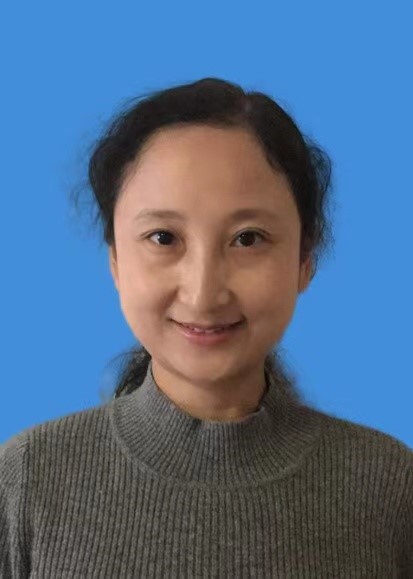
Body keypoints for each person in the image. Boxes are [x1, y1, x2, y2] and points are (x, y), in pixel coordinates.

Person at [1, 78, 411, 577]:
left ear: (305, 258)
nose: (203, 293)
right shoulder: (28, 480)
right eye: (162, 237)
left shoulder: (389, 487)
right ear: (115, 259)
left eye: (247, 238)